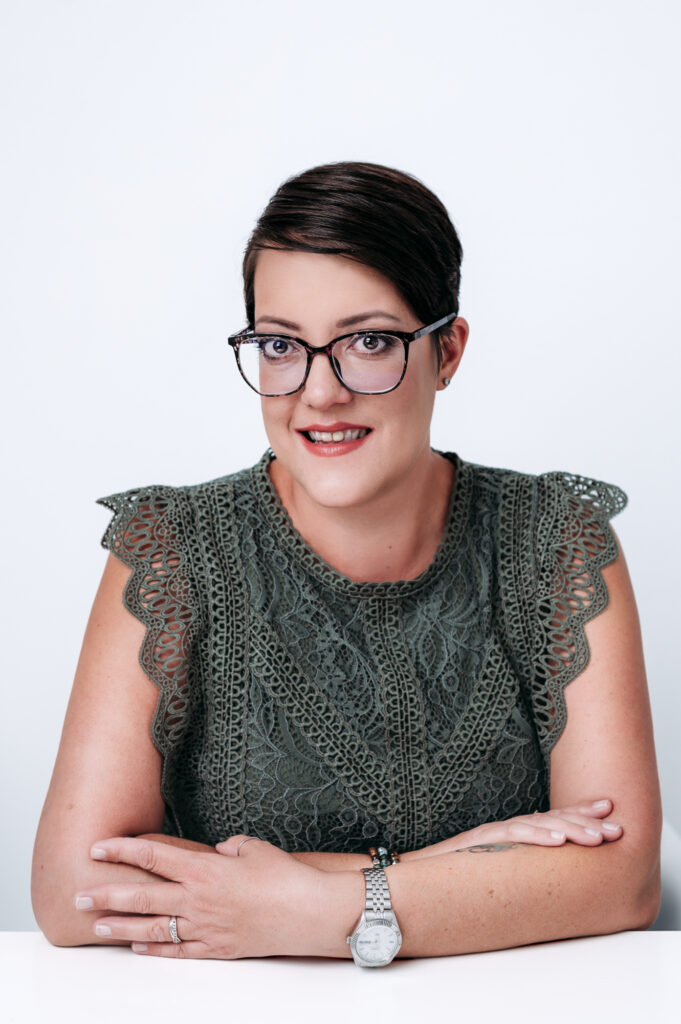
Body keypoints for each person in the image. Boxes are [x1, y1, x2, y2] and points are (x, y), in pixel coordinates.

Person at [32, 160, 662, 965]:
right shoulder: (171, 549)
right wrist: (440, 869)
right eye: (280, 345)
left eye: (368, 342)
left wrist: (316, 911)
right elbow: (70, 889)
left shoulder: (555, 542)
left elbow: (622, 878)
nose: (317, 393)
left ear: (449, 350)